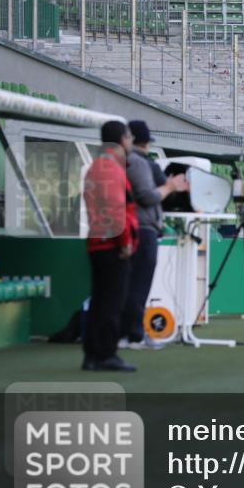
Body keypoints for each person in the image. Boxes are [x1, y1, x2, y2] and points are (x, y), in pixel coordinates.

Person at [120, 120, 188, 350]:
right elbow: (148, 196)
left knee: (133, 285)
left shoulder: (132, 162)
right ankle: (134, 335)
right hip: (142, 229)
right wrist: (170, 187)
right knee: (138, 286)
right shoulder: (138, 163)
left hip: (136, 228)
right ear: (147, 142)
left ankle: (129, 333)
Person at [82, 120, 138, 372]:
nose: (131, 142)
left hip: (99, 243)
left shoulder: (96, 166)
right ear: (121, 140)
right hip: (111, 246)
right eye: (129, 137)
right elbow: (116, 209)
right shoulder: (111, 169)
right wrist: (125, 242)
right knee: (111, 303)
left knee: (100, 302)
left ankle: (94, 355)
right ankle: (105, 354)